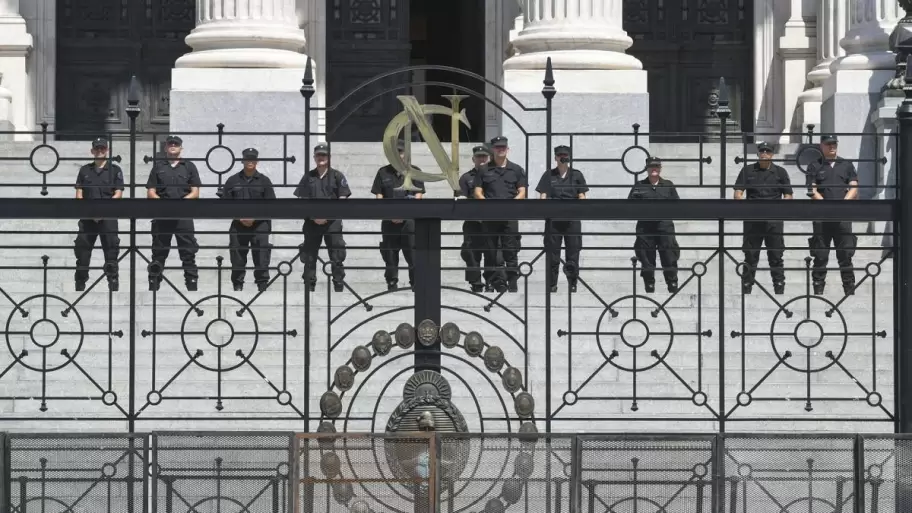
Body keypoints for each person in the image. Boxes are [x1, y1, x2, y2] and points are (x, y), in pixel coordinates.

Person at [733, 141, 793, 295]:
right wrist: (744, 207)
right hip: (753, 221)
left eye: (768, 151)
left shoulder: (780, 172)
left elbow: (788, 195)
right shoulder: (748, 170)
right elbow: (738, 192)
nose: (764, 153)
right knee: (751, 256)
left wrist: (781, 209)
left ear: (772, 154)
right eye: (762, 151)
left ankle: (779, 289)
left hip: (774, 221)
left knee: (776, 256)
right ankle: (746, 288)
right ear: (758, 153)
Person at [145, 135, 201, 292]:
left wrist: (181, 204)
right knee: (158, 251)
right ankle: (154, 283)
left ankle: (191, 284)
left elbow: (195, 192)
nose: (173, 146)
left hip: (183, 215)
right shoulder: (158, 167)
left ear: (181, 148)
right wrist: (163, 205)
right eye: (170, 144)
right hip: (162, 215)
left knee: (188, 251)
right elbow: (151, 192)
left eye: (176, 144)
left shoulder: (189, 166)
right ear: (165, 148)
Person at [218, 148, 276, 292]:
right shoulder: (232, 181)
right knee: (237, 255)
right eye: (247, 159)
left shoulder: (264, 181)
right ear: (242, 161)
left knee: (261, 255)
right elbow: (225, 205)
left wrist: (254, 218)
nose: (250, 162)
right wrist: (240, 217)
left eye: (253, 159)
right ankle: (237, 285)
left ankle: (262, 285)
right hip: (239, 224)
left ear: (257, 161)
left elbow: (272, 205)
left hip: (260, 224)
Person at [295, 143, 351, 293]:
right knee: (309, 255)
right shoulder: (308, 177)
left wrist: (327, 216)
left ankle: (338, 284)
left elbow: (343, 197)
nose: (321, 158)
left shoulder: (337, 176)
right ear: (314, 158)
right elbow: (302, 199)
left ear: (329, 158)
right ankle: (309, 284)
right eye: (318, 155)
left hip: (332, 223)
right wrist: (314, 217)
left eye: (324, 155)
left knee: (337, 254)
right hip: (311, 223)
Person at [474, 136, 527, 293]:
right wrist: (487, 205)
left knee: (511, 251)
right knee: (490, 251)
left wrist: (512, 205)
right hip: (490, 217)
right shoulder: (484, 170)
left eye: (503, 147)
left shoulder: (516, 170)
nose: (500, 149)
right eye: (497, 147)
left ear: (507, 149)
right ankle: (491, 282)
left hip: (509, 217)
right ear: (493, 149)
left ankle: (512, 282)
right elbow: (478, 192)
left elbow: (522, 191)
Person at [806, 134, 858, 295]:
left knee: (845, 254)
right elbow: (812, 190)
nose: (832, 146)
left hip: (842, 216)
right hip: (822, 217)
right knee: (820, 254)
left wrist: (841, 204)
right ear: (821, 146)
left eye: (834, 143)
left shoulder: (846, 165)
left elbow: (854, 187)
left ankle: (849, 288)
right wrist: (827, 206)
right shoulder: (814, 165)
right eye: (828, 144)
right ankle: (818, 288)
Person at [371, 140, 425, 291]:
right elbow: (379, 195)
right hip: (389, 220)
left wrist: (406, 214)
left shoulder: (415, 171)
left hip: (409, 221)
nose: (398, 155)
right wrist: (389, 214)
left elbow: (419, 195)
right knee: (389, 252)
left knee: (412, 252)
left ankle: (415, 282)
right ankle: (391, 282)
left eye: (401, 152)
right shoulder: (383, 172)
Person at [535, 145, 588, 293]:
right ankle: (552, 284)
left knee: (573, 253)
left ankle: (572, 283)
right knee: (552, 254)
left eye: (565, 155)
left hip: (572, 220)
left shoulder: (577, 175)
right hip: (554, 221)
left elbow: (582, 196)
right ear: (555, 157)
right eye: (559, 155)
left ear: (569, 157)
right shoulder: (548, 175)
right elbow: (543, 196)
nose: (562, 157)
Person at [73, 137, 123, 291]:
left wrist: (103, 212)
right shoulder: (84, 170)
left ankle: (112, 281)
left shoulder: (115, 170)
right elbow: (79, 195)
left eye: (103, 148)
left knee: (111, 249)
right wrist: (90, 213)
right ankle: (80, 282)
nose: (100, 151)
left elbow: (118, 194)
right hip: (88, 217)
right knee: (82, 250)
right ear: (92, 151)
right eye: (97, 149)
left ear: (107, 150)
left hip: (107, 217)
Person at [628, 157, 680, 293]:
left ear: (660, 168)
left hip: (665, 226)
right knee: (646, 256)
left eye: (657, 166)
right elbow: (630, 205)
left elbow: (678, 205)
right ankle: (649, 283)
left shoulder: (668, 185)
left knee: (669, 254)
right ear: (647, 168)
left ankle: (672, 281)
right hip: (645, 227)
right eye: (651, 166)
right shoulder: (639, 186)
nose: (654, 169)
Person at [457, 145, 491, 293]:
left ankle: (492, 281)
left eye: (484, 156)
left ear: (488, 158)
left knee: (492, 252)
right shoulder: (466, 178)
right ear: (473, 159)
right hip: (472, 221)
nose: (482, 159)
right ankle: (475, 282)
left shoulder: (495, 174)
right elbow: (461, 197)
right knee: (470, 252)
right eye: (479, 157)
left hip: (491, 222)